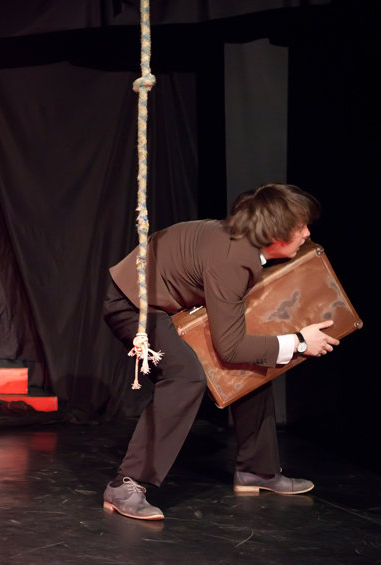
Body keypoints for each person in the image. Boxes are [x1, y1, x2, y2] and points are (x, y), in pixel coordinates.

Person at [101, 183, 339, 520]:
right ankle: (126, 484)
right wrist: (300, 341)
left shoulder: (241, 245)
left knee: (254, 358)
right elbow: (231, 347)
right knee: (185, 375)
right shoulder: (234, 260)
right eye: (300, 227)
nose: (307, 233)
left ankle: (258, 470)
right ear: (275, 236)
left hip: (169, 304)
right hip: (133, 305)